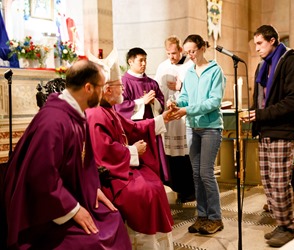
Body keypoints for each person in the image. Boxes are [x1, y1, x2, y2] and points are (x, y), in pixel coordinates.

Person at [3, 59, 131, 249]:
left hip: (68, 194)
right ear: (88, 88)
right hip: (41, 213)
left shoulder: (76, 114)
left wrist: (92, 188)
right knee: (94, 240)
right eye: (101, 86)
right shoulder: (53, 122)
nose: (103, 91)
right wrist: (73, 210)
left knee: (112, 218)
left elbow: (82, 162)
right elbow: (41, 178)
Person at [86, 49, 174, 249]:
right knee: (144, 192)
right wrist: (132, 151)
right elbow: (104, 153)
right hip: (110, 176)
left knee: (155, 185)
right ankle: (141, 243)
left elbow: (132, 128)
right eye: (120, 86)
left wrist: (162, 119)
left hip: (123, 167)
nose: (124, 91)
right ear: (107, 90)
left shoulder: (108, 110)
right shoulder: (96, 114)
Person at [241, 25, 294, 247]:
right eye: (255, 44)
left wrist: (259, 114)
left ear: (272, 41)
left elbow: (293, 101)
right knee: (268, 181)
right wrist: (252, 114)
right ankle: (280, 223)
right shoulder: (263, 66)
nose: (257, 48)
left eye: (260, 43)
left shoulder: (290, 63)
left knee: (280, 182)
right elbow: (260, 99)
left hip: (283, 130)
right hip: (266, 129)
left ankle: (289, 226)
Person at [168, 34, 226, 235]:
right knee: (195, 174)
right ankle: (201, 216)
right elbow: (185, 96)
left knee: (206, 173)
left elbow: (214, 101)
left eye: (193, 51)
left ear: (202, 48)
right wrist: (177, 103)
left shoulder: (215, 71)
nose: (190, 55)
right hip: (192, 127)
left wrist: (187, 110)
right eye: (187, 52)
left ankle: (215, 217)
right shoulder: (190, 72)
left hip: (211, 127)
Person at [114, 47, 169, 184]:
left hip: (152, 129)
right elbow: (119, 107)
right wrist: (141, 102)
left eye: (145, 60)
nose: (144, 63)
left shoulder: (152, 83)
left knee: (154, 163)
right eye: (140, 60)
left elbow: (161, 104)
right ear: (130, 62)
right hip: (134, 131)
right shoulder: (123, 82)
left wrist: (153, 102)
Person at [154, 35, 195, 203]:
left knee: (185, 154)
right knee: (169, 153)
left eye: (174, 53)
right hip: (169, 117)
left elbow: (195, 88)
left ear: (180, 50)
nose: (172, 57)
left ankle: (189, 191)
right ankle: (174, 187)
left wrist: (182, 86)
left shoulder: (190, 65)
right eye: (168, 54)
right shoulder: (162, 67)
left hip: (184, 118)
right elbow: (157, 89)